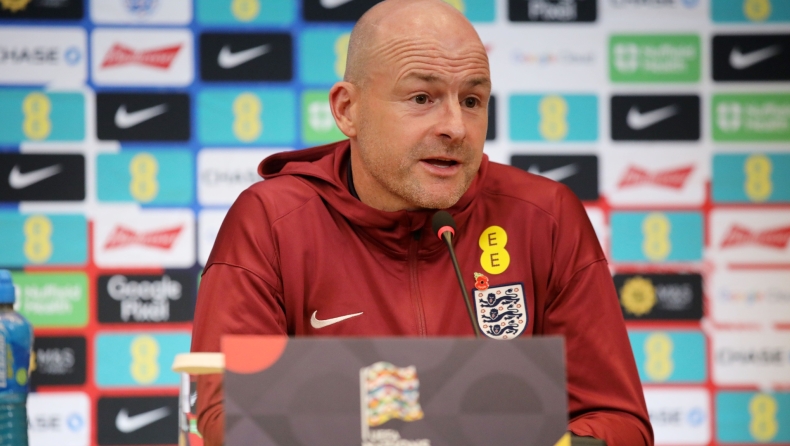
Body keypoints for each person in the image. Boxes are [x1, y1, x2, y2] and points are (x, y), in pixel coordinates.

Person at [190, 0, 653, 444]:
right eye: (421, 97)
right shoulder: (271, 222)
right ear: (347, 110)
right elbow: (226, 418)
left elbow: (618, 421)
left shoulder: (544, 216)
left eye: (472, 100)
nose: (456, 127)